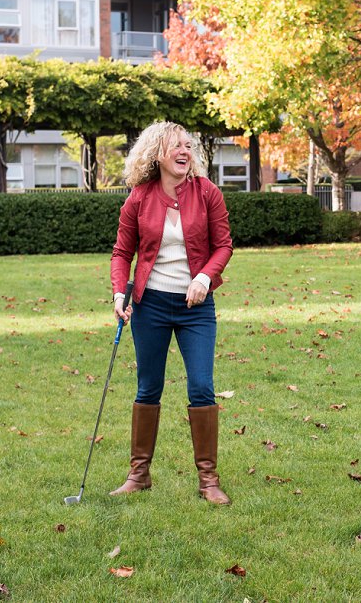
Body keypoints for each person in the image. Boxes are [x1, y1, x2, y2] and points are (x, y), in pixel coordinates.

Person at [109, 121, 234, 505]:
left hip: (196, 307)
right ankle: (138, 474)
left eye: (188, 145)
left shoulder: (207, 192)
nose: (185, 151)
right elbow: (121, 253)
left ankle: (208, 481)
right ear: (156, 154)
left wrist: (203, 278)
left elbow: (224, 246)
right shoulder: (139, 198)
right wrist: (119, 293)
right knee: (148, 387)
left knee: (201, 386)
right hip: (151, 306)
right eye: (176, 146)